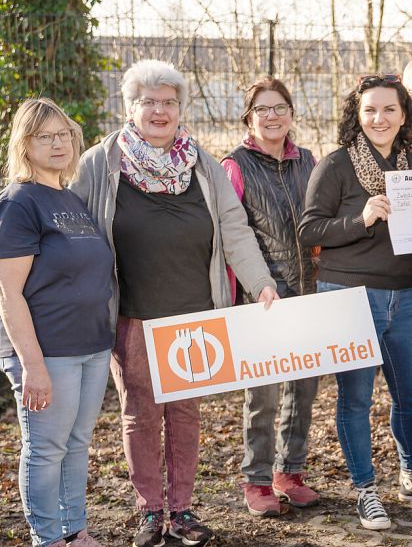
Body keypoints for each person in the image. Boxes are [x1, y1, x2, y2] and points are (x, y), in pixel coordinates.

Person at [71, 59, 278, 547]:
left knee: (185, 413)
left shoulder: (201, 163)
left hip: (194, 316)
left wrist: (261, 283)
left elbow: (235, 229)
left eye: (169, 102)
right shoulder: (102, 162)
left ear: (181, 109)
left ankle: (182, 510)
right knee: (140, 412)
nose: (160, 111)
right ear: (130, 107)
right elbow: (73, 227)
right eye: (149, 102)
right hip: (133, 315)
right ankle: (149, 511)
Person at [297, 74, 412, 531]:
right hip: (348, 296)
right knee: (355, 399)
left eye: (389, 109)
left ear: (404, 115)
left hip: (407, 298)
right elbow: (309, 230)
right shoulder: (336, 165)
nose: (380, 118)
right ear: (357, 114)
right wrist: (361, 217)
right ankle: (366, 489)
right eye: (370, 109)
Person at [0, 99, 113, 547]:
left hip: (92, 346)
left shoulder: (72, 198)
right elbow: (7, 291)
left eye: (63, 133)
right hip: (47, 352)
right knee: (46, 449)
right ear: (25, 144)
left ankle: (75, 531)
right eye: (45, 136)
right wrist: (32, 364)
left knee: (77, 443)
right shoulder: (17, 203)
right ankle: (46, 538)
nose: (58, 143)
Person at [221, 76, 319, 517]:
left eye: (280, 107)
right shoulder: (235, 166)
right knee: (262, 397)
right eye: (263, 109)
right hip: (260, 298)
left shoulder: (309, 162)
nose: (272, 116)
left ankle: (290, 472)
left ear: (292, 113)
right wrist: (250, 287)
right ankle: (257, 479)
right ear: (249, 117)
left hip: (308, 293)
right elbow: (230, 236)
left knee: (303, 388)